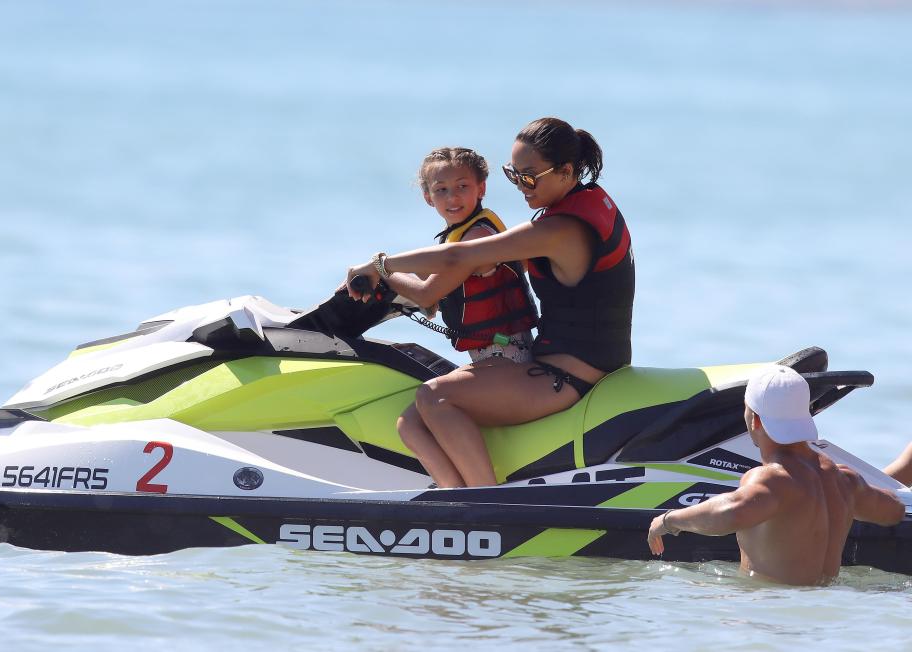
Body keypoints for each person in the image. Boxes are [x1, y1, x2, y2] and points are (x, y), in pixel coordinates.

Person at [345, 117, 635, 488]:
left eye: (529, 177)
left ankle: (485, 503)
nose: (520, 186)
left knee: (434, 398)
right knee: (412, 420)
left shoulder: (561, 230)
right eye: (514, 175)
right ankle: (454, 501)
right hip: (571, 363)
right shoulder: (586, 204)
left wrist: (380, 265)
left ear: (565, 171)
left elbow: (457, 257)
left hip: (568, 374)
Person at [647, 365, 905, 586]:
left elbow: (732, 512)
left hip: (770, 618)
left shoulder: (773, 480)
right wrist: (851, 495)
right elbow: (894, 510)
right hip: (823, 614)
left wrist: (668, 520)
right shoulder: (844, 480)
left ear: (755, 420)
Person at [378, 147, 537, 364]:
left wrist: (378, 269)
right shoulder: (458, 235)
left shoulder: (478, 236)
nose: (452, 197)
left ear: (481, 188)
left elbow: (426, 295)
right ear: (428, 197)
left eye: (462, 186)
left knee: (430, 394)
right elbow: (436, 283)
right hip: (491, 356)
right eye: (441, 189)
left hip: (506, 357)